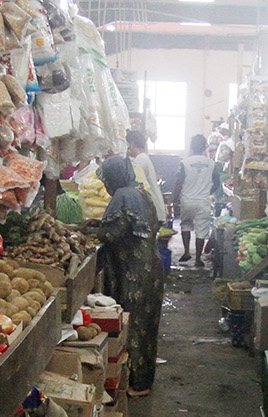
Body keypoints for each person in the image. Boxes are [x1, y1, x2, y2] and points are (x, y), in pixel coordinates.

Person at [91, 156, 164, 398]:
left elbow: (113, 233)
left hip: (135, 274)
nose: (106, 186)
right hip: (151, 269)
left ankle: (134, 382)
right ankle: (143, 380)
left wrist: (93, 232)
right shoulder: (140, 192)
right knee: (147, 327)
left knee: (132, 326)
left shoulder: (123, 195)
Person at [173, 134, 220, 266]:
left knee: (185, 225)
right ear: (205, 147)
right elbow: (217, 183)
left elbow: (179, 182)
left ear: (192, 147)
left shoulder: (184, 163)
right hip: (203, 201)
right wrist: (207, 192)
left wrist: (174, 200)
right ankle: (198, 259)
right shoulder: (212, 164)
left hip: (187, 200)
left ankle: (187, 252)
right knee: (201, 230)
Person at [126, 129, 166, 226]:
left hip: (153, 209)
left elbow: (133, 180)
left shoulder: (141, 159)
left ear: (131, 144)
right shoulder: (143, 157)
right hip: (155, 209)